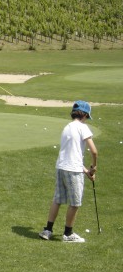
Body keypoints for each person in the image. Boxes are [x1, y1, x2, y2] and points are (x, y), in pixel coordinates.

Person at [39, 101, 98, 243]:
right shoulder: (83, 128)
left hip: (61, 166)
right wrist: (93, 167)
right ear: (85, 114)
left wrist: (86, 172)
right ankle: (68, 233)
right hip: (72, 170)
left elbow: (73, 154)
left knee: (58, 199)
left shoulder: (67, 127)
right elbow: (94, 152)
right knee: (75, 203)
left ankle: (47, 230)